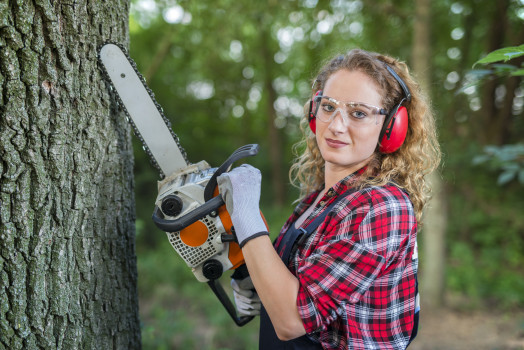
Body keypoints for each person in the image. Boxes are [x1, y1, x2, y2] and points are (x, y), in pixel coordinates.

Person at [217, 48, 441, 350]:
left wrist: (246, 214)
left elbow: (292, 319)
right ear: (314, 111)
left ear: (391, 127)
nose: (336, 125)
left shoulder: (382, 207)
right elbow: (302, 285)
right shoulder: (317, 201)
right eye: (328, 107)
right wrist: (254, 278)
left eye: (358, 113)